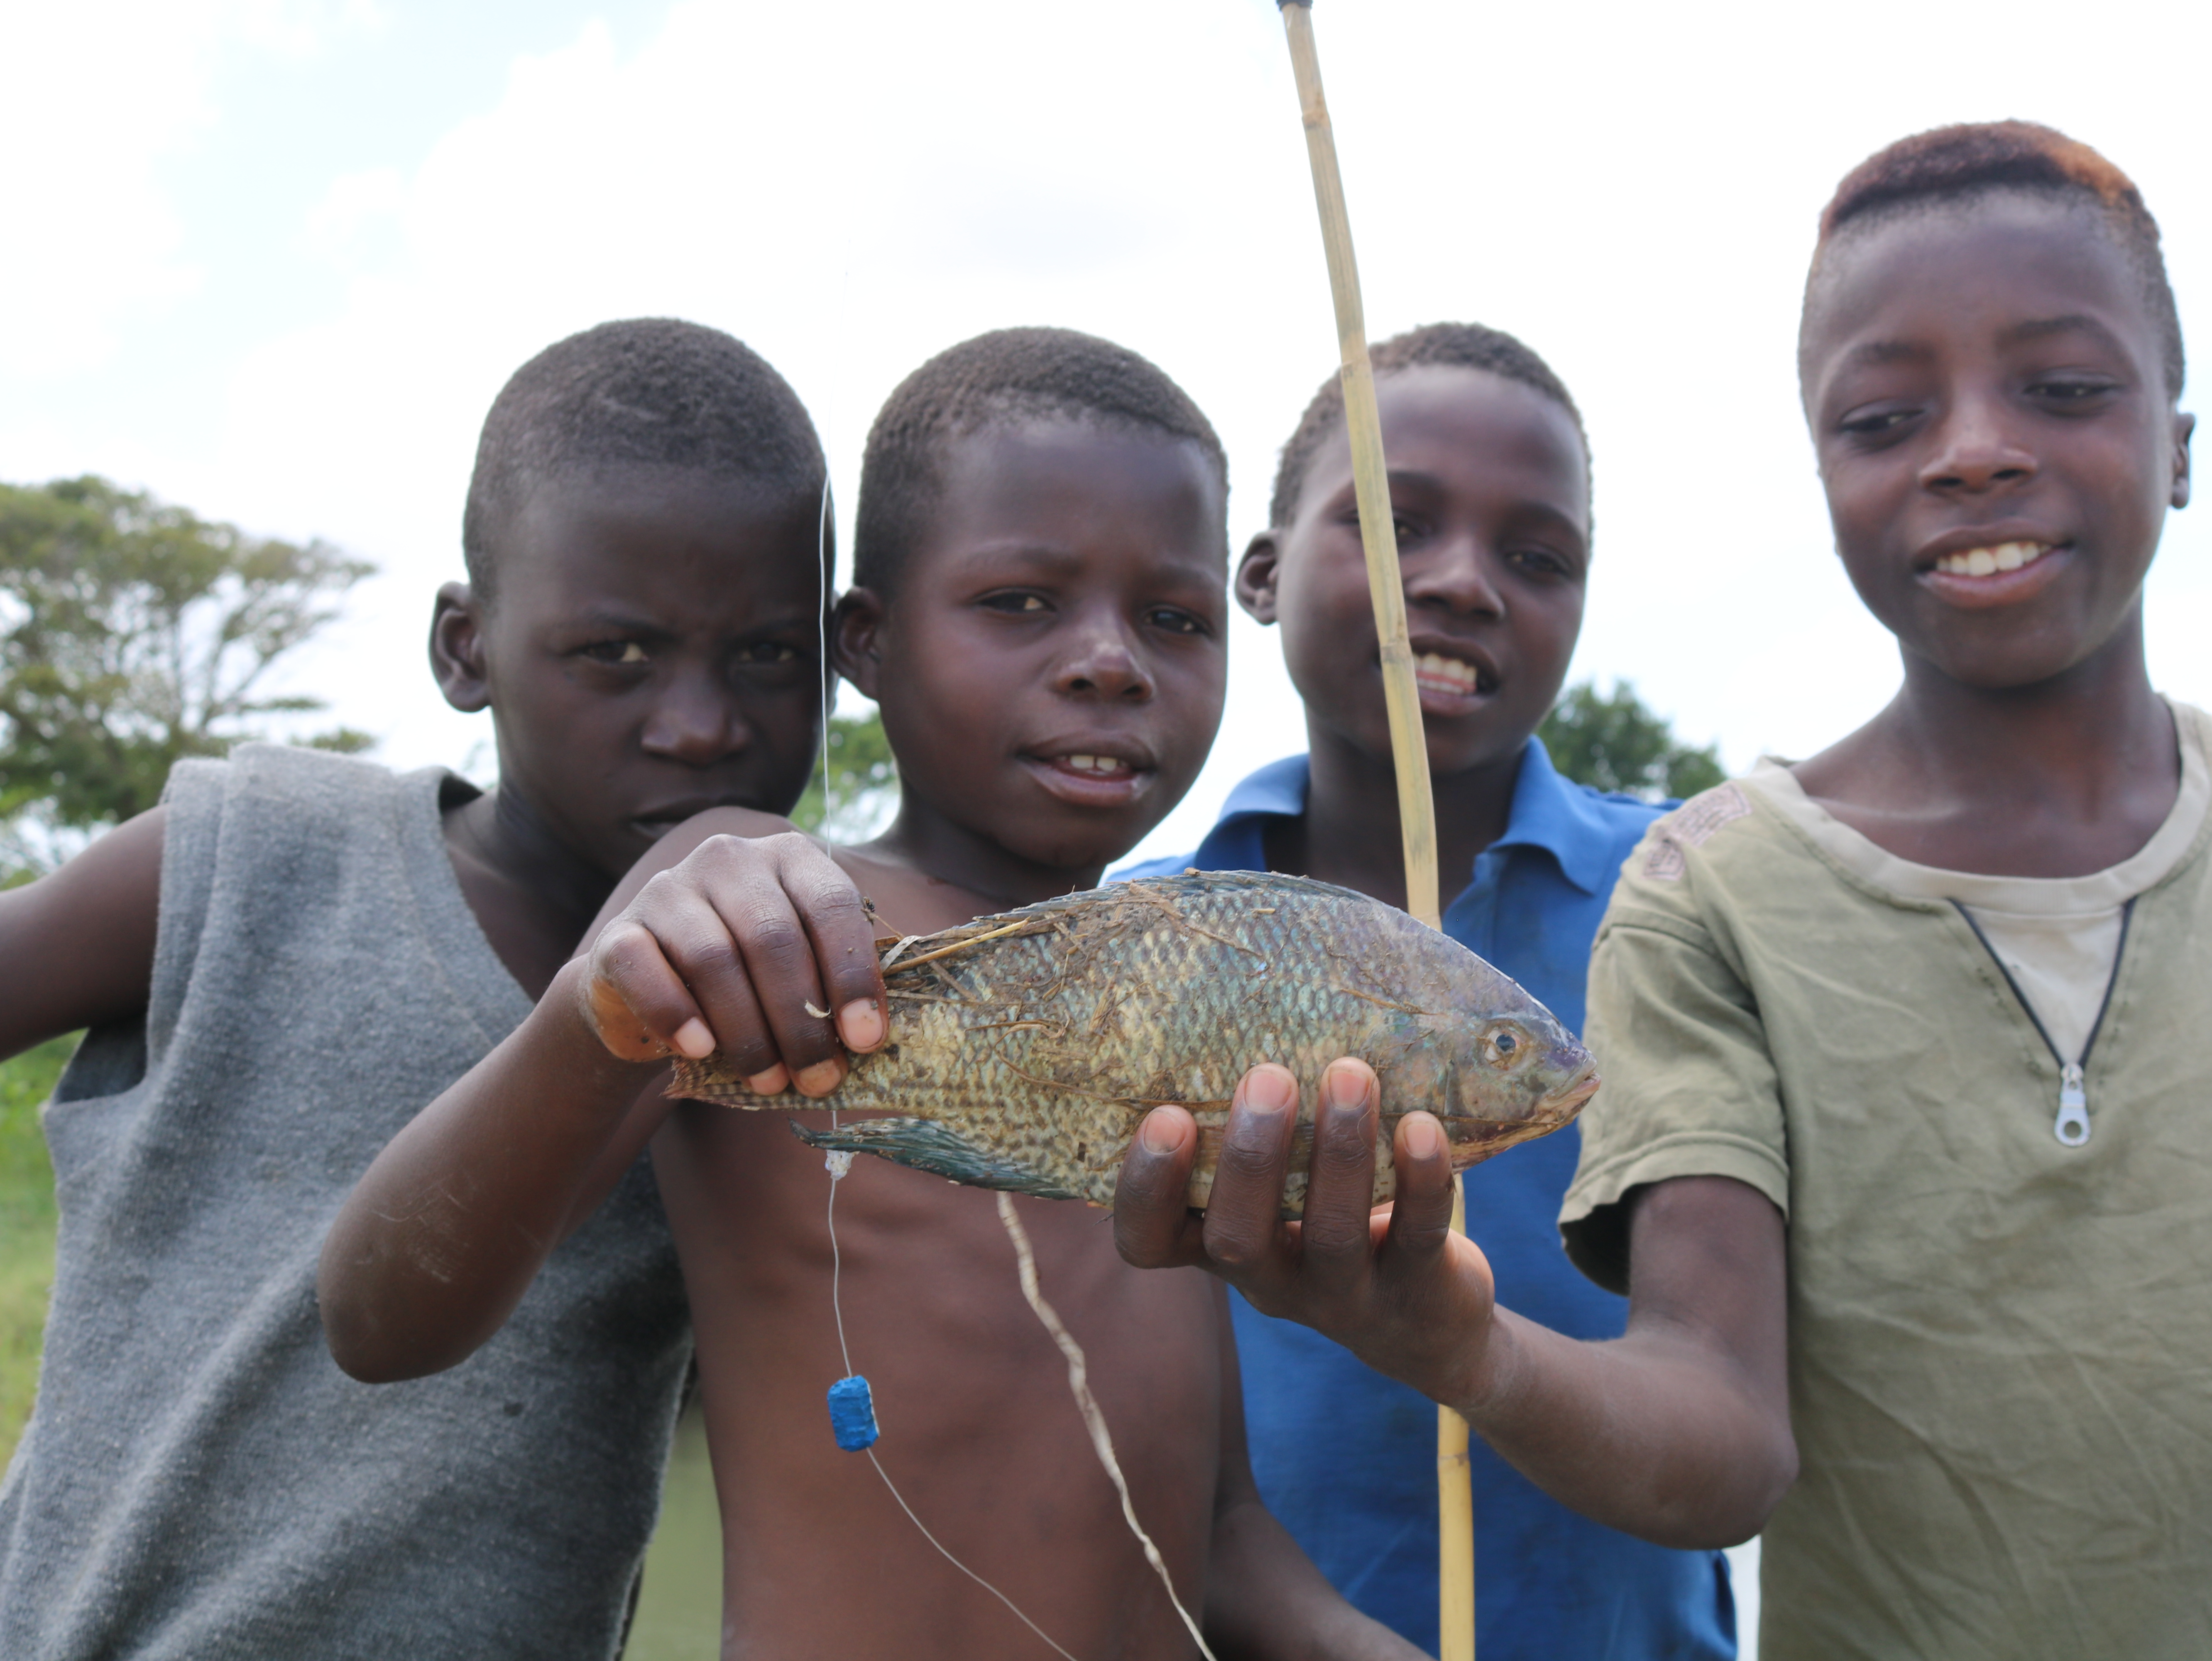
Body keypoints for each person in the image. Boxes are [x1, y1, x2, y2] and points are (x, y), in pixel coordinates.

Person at [1111, 124, 2212, 1659]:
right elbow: (1158, 1435)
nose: (1973, 449)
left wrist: (1472, 1347)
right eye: (1893, 412)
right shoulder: (1704, 904)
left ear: (2179, 435)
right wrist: (1458, 1353)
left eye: (2066, 386)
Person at [321, 327, 1427, 1661]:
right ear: (866, 642)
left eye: (1174, 619)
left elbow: (1224, 1540)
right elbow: (381, 1318)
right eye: (1022, 601)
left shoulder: (1190, 1007)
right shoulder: (763, 913)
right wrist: (596, 1015)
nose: (1108, 662)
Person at [0, 317, 832, 1657]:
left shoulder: (777, 1007)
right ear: (465, 650)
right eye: (614, 655)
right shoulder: (247, 857)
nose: (701, 723)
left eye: (769, 657)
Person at [1116, 321, 1732, 1657]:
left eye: (1538, 557)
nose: (1459, 583)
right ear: (1264, 576)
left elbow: (1742, 1420)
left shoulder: (1694, 897)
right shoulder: (1142, 936)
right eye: (1396, 529)